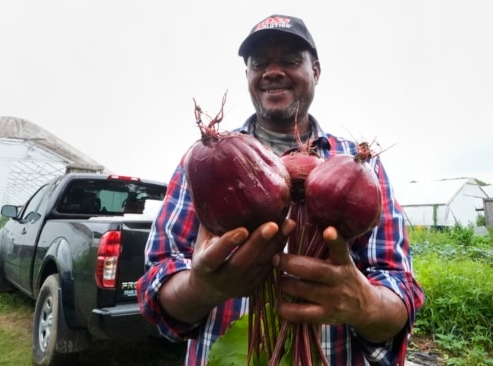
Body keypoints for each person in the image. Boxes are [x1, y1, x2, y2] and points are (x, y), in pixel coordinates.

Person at [137, 14, 424, 366]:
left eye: (289, 60)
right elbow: (157, 279)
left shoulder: (361, 165)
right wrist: (201, 287)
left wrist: (363, 302)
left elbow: (399, 287)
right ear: (247, 77)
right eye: (259, 63)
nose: (273, 71)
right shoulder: (202, 164)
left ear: (315, 71)